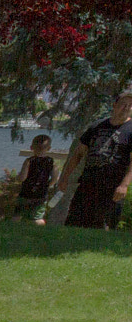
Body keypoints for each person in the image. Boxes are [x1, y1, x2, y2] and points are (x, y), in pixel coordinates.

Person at [57, 91, 132, 230]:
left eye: (130, 105)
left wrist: (124, 185)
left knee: (103, 228)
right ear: (114, 106)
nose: (127, 108)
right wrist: (65, 178)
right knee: (74, 224)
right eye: (123, 105)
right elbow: (78, 154)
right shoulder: (97, 126)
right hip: (87, 183)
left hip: (112, 188)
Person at [14, 135, 56, 223]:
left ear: (31, 147)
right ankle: (41, 232)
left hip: (26, 192)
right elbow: (55, 178)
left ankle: (12, 229)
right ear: (49, 148)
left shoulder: (29, 161)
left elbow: (22, 177)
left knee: (18, 214)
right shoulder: (51, 162)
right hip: (41, 194)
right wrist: (48, 185)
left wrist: (17, 178)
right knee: (37, 216)